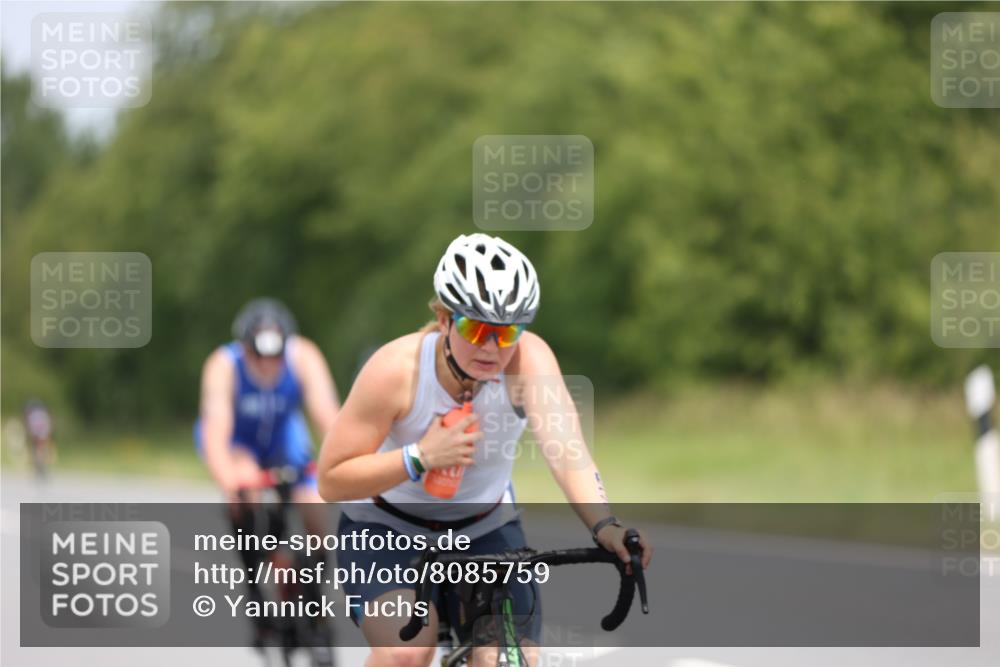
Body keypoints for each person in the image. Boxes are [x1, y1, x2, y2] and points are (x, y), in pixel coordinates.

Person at [317, 234, 652, 667]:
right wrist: (419, 456)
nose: (493, 347)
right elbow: (331, 479)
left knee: (509, 660)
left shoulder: (529, 362)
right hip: (385, 530)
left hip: (483, 530)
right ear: (443, 319)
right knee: (406, 653)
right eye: (476, 329)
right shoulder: (395, 371)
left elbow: (569, 455)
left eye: (508, 331)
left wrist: (605, 524)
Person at [195, 297, 341, 645]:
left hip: (283, 435)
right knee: (242, 492)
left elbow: (328, 415)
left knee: (315, 509)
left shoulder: (304, 356)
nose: (266, 364)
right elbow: (217, 429)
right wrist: (230, 479)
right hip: (240, 441)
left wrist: (337, 461)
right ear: (244, 347)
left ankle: (314, 599)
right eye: (257, 355)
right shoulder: (223, 365)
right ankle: (257, 597)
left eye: (275, 355)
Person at [23, 399, 56, 479]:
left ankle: (39, 466)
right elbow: (48, 423)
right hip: (44, 429)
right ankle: (43, 464)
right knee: (43, 447)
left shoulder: (32, 414)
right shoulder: (43, 413)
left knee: (37, 447)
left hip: (38, 430)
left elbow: (30, 427)